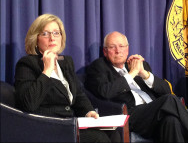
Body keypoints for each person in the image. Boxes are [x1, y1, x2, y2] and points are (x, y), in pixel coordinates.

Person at [85, 31, 188, 142]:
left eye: (121, 46)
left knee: (172, 121)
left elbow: (166, 90)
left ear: (127, 49)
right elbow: (105, 92)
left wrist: (143, 73)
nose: (118, 50)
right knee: (169, 99)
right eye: (112, 47)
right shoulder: (98, 67)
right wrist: (131, 74)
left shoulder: (138, 65)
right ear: (105, 52)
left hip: (154, 113)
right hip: (129, 115)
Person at [14, 14, 120, 143]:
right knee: (99, 139)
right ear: (36, 39)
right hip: (48, 127)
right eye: (45, 34)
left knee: (113, 132)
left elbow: (78, 94)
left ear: (61, 38)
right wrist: (47, 70)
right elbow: (28, 103)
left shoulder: (66, 62)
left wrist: (88, 112)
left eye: (56, 33)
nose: (52, 38)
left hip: (71, 122)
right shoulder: (27, 64)